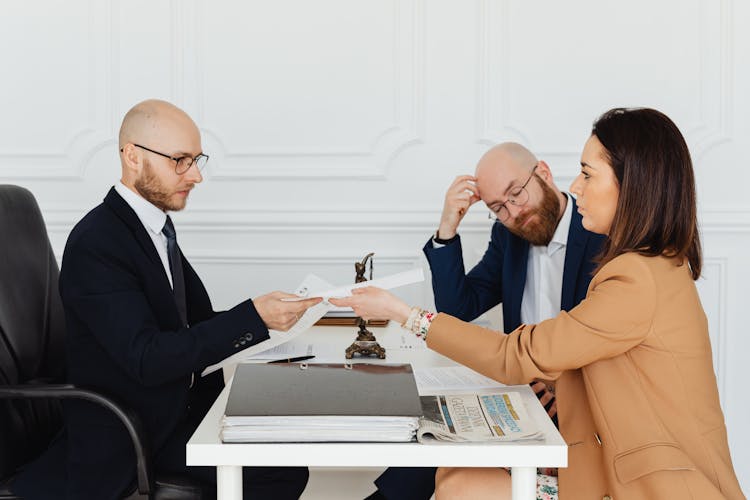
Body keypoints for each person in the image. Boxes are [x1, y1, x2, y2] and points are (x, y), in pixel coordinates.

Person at [332, 108, 745, 499]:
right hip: (581, 433)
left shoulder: (633, 276)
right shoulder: (649, 263)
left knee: (461, 486)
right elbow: (467, 310)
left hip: (647, 485)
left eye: (587, 174)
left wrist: (404, 314)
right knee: (452, 470)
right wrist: (446, 231)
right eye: (498, 208)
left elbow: (520, 354)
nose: (577, 186)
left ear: (632, 184)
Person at [23, 99, 321, 500]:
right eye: (180, 160)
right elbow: (147, 357)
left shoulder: (155, 227)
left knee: (282, 451)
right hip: (132, 431)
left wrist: (268, 318)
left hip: (174, 408)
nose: (195, 175)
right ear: (132, 157)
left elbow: (195, 322)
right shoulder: (98, 242)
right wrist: (253, 317)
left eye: (197, 160)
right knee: (275, 474)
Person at [370, 143, 604, 500]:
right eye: (499, 208)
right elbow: (460, 307)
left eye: (516, 194)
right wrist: (448, 227)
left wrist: (563, 385)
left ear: (543, 173)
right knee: (438, 433)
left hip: (581, 411)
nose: (514, 212)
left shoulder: (601, 233)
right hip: (521, 393)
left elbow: (612, 335)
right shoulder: (510, 236)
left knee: (449, 470)